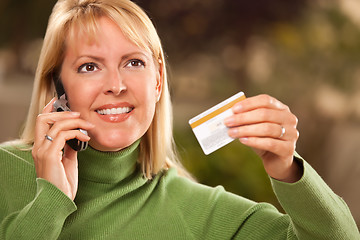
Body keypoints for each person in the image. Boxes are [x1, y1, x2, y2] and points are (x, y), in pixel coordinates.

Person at [0, 0, 358, 239]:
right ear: (57, 86)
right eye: (89, 66)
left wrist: (288, 169)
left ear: (157, 81)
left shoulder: (204, 213)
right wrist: (50, 201)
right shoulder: (5, 172)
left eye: (133, 62)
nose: (116, 85)